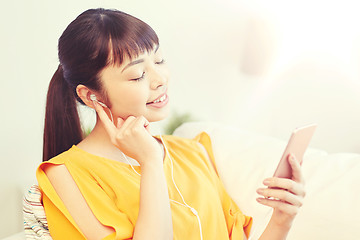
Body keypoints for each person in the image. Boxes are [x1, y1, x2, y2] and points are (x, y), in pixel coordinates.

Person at [37, 8, 305, 240]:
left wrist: (282, 219)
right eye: (138, 75)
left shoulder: (193, 151)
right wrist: (150, 162)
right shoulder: (64, 175)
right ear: (89, 94)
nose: (159, 79)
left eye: (159, 60)